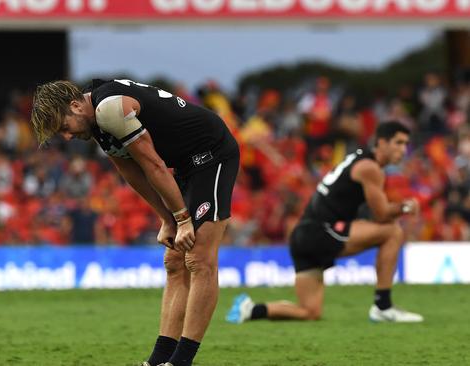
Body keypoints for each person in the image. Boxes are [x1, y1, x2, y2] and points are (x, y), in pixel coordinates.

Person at [31, 79, 240, 366]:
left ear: (76, 105)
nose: (66, 137)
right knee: (174, 261)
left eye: (64, 127)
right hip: (185, 166)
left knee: (199, 259)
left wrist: (182, 219)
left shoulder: (110, 111)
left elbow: (153, 164)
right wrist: (167, 219)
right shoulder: (97, 125)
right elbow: (132, 172)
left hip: (213, 155)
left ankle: (181, 362)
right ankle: (159, 360)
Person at [226, 121, 423, 324]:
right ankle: (383, 306)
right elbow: (382, 215)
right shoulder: (370, 168)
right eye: (398, 143)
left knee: (309, 312)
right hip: (322, 232)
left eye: (405, 143)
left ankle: (252, 309)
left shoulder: (357, 159)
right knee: (392, 232)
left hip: (302, 237)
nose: (403, 149)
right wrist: (406, 207)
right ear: (382, 142)